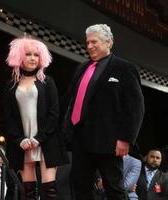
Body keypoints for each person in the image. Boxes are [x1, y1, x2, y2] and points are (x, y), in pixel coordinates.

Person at [61, 24, 145, 200]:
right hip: (80, 139)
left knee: (113, 187)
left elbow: (136, 107)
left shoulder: (125, 68)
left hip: (109, 141)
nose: (90, 46)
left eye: (94, 41)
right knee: (81, 186)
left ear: (109, 42)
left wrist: (126, 139)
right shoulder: (81, 68)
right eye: (87, 42)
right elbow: (70, 100)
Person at [4, 35, 68, 200]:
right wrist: (19, 139)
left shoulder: (48, 82)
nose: (32, 58)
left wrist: (40, 138)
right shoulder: (11, 85)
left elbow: (54, 113)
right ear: (19, 56)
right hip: (23, 144)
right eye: (28, 54)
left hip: (46, 141)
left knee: (50, 191)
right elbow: (8, 117)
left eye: (36, 54)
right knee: (29, 193)